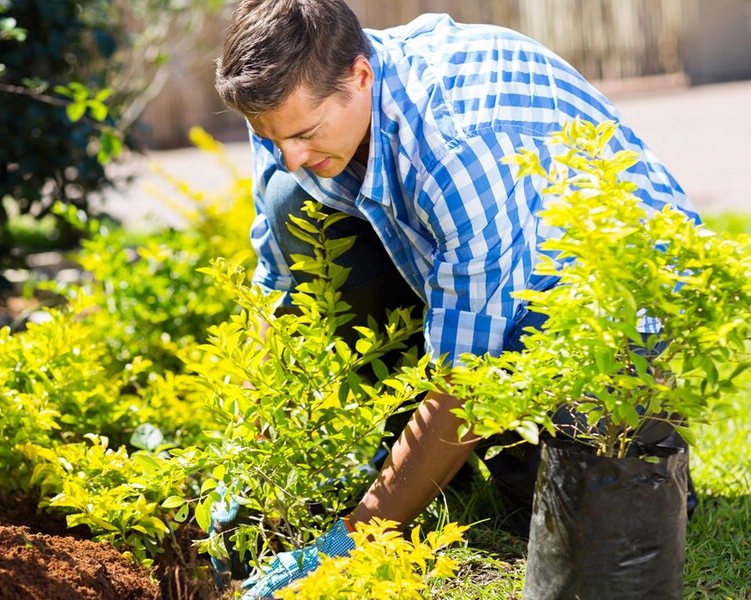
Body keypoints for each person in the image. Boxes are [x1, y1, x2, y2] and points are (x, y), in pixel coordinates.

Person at [212, 0, 700, 596]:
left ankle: (612, 448)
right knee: (294, 202)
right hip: (482, 285)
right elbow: (279, 288)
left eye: (305, 135)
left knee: (575, 503)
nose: (290, 155)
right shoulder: (287, 100)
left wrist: (350, 543)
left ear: (360, 76)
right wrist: (249, 460)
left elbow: (466, 379)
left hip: (603, 301)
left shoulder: (456, 141)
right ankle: (422, 458)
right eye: (273, 137)